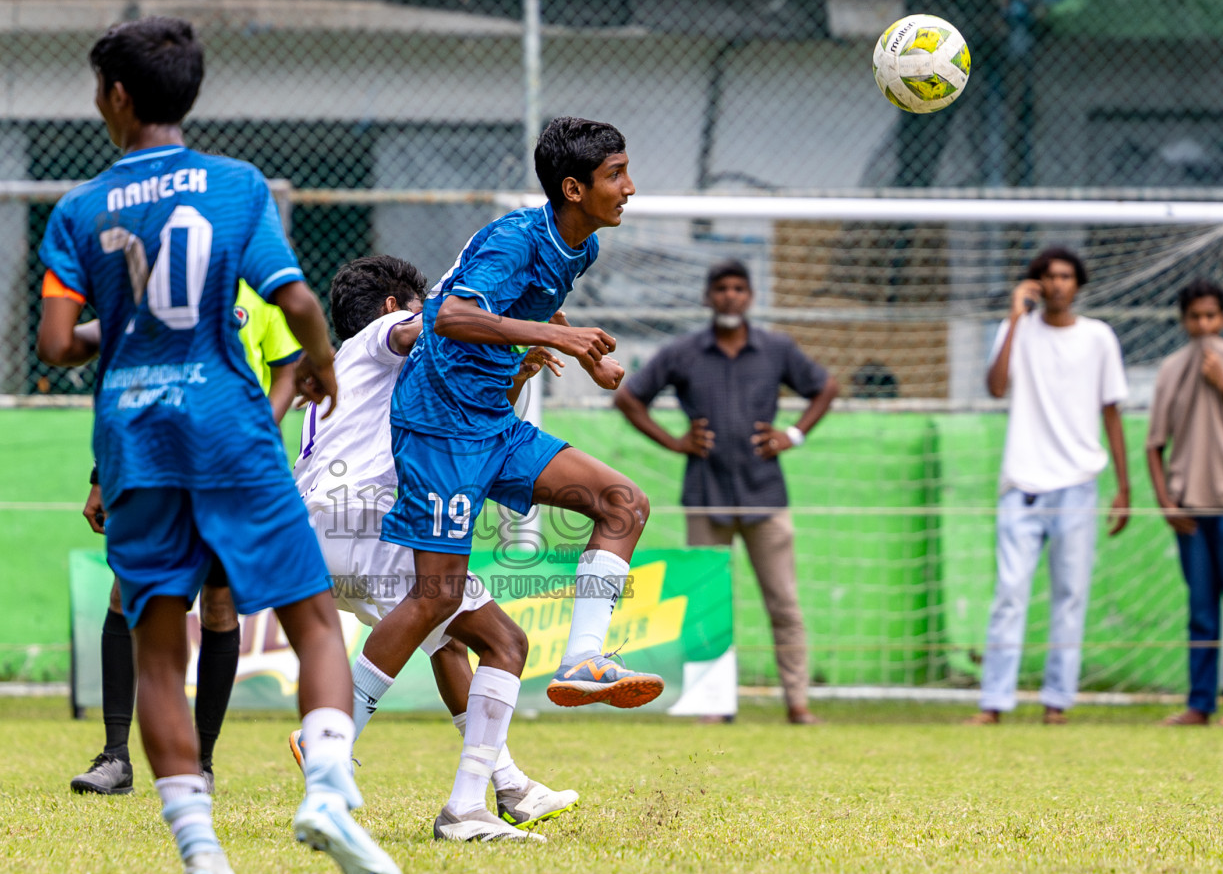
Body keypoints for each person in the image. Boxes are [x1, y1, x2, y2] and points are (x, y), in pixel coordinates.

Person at [35, 16, 406, 874]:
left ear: (119, 97)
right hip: (230, 426)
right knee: (315, 618)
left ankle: (203, 863)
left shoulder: (80, 210)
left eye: (97, 90)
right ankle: (325, 789)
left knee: (158, 643)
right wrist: (319, 362)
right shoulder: (237, 186)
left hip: (135, 437)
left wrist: (114, 329)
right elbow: (297, 299)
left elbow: (55, 343)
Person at [291, 254, 578, 840]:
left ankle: (509, 786)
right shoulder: (379, 336)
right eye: (420, 303)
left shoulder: (356, 370)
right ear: (394, 305)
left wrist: (514, 370)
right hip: (365, 522)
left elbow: (467, 409)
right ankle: (332, 737)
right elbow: (433, 325)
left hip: (324, 534)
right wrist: (509, 310)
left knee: (447, 645)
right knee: (505, 640)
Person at [68, 280, 301, 796]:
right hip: (157, 466)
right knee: (125, 596)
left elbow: (291, 369)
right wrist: (100, 476)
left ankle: (200, 763)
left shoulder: (264, 293)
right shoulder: (157, 292)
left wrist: (257, 437)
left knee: (219, 606)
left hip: (232, 475)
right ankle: (115, 758)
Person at [613, 260, 837, 725]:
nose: (730, 295)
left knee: (785, 603)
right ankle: (713, 704)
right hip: (706, 495)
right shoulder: (684, 351)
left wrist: (790, 435)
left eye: (739, 288)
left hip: (766, 496)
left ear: (750, 296)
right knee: (707, 605)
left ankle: (797, 703)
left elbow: (825, 387)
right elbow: (628, 397)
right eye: (721, 288)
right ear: (708, 297)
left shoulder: (775, 348)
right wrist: (676, 442)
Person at [970, 246, 1130, 726]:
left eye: (1066, 276)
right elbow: (996, 386)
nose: (1058, 284)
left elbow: (1112, 411)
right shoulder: (1015, 332)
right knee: (1009, 593)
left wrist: (1124, 487)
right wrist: (1015, 317)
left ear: (1077, 283)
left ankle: (1057, 701)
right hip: (1023, 485)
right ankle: (994, 703)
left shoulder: (1099, 337)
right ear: (1036, 284)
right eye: (1048, 277)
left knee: (1070, 597)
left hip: (1079, 485)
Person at [1146, 279, 1223, 727]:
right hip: (1190, 512)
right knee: (1202, 613)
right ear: (1183, 320)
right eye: (1194, 316)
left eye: (1211, 315)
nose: (1203, 324)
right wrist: (1166, 502)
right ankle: (1199, 703)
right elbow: (1154, 445)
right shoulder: (1170, 369)